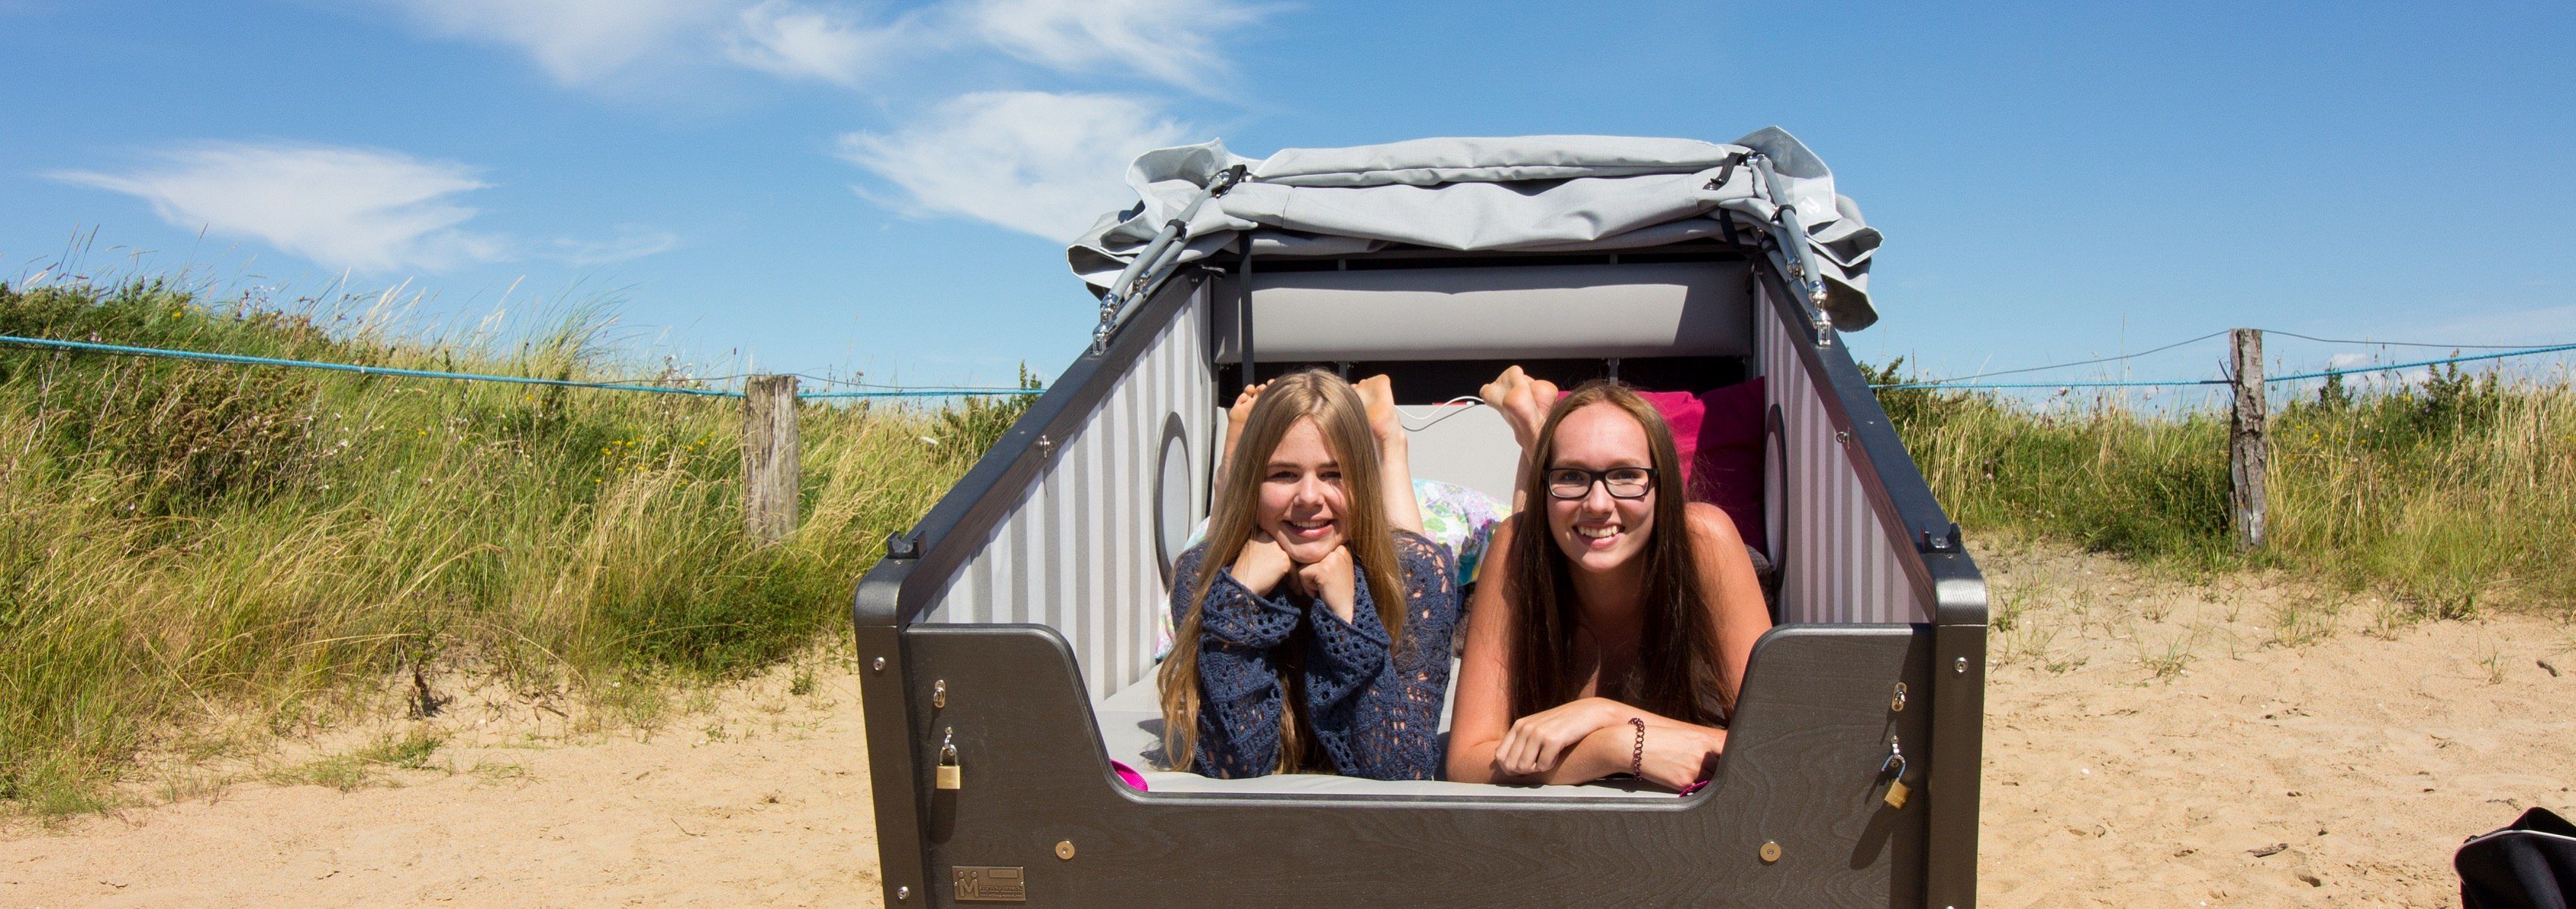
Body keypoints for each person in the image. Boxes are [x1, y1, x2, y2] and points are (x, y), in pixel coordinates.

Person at [1443, 374, 1773, 790]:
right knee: (1539, 536)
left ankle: (1535, 424)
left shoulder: (1706, 542)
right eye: (1570, 477)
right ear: (1543, 486)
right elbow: (1467, 763)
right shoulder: (1515, 547)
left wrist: (1604, 715)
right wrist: (1613, 748)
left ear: (1662, 485)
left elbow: (1777, 746)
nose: (1599, 503)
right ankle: (1535, 427)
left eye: (1626, 475)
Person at [1158, 369, 1460, 779]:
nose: (1309, 498)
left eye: (1334, 474)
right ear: (1251, 482)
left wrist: (1350, 623)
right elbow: (1234, 768)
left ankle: (1390, 439)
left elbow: (1405, 771)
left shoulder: (1421, 574)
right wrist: (1239, 604)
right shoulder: (1202, 576)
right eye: (1283, 474)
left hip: (1372, 837)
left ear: (1365, 483)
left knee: (1403, 555)